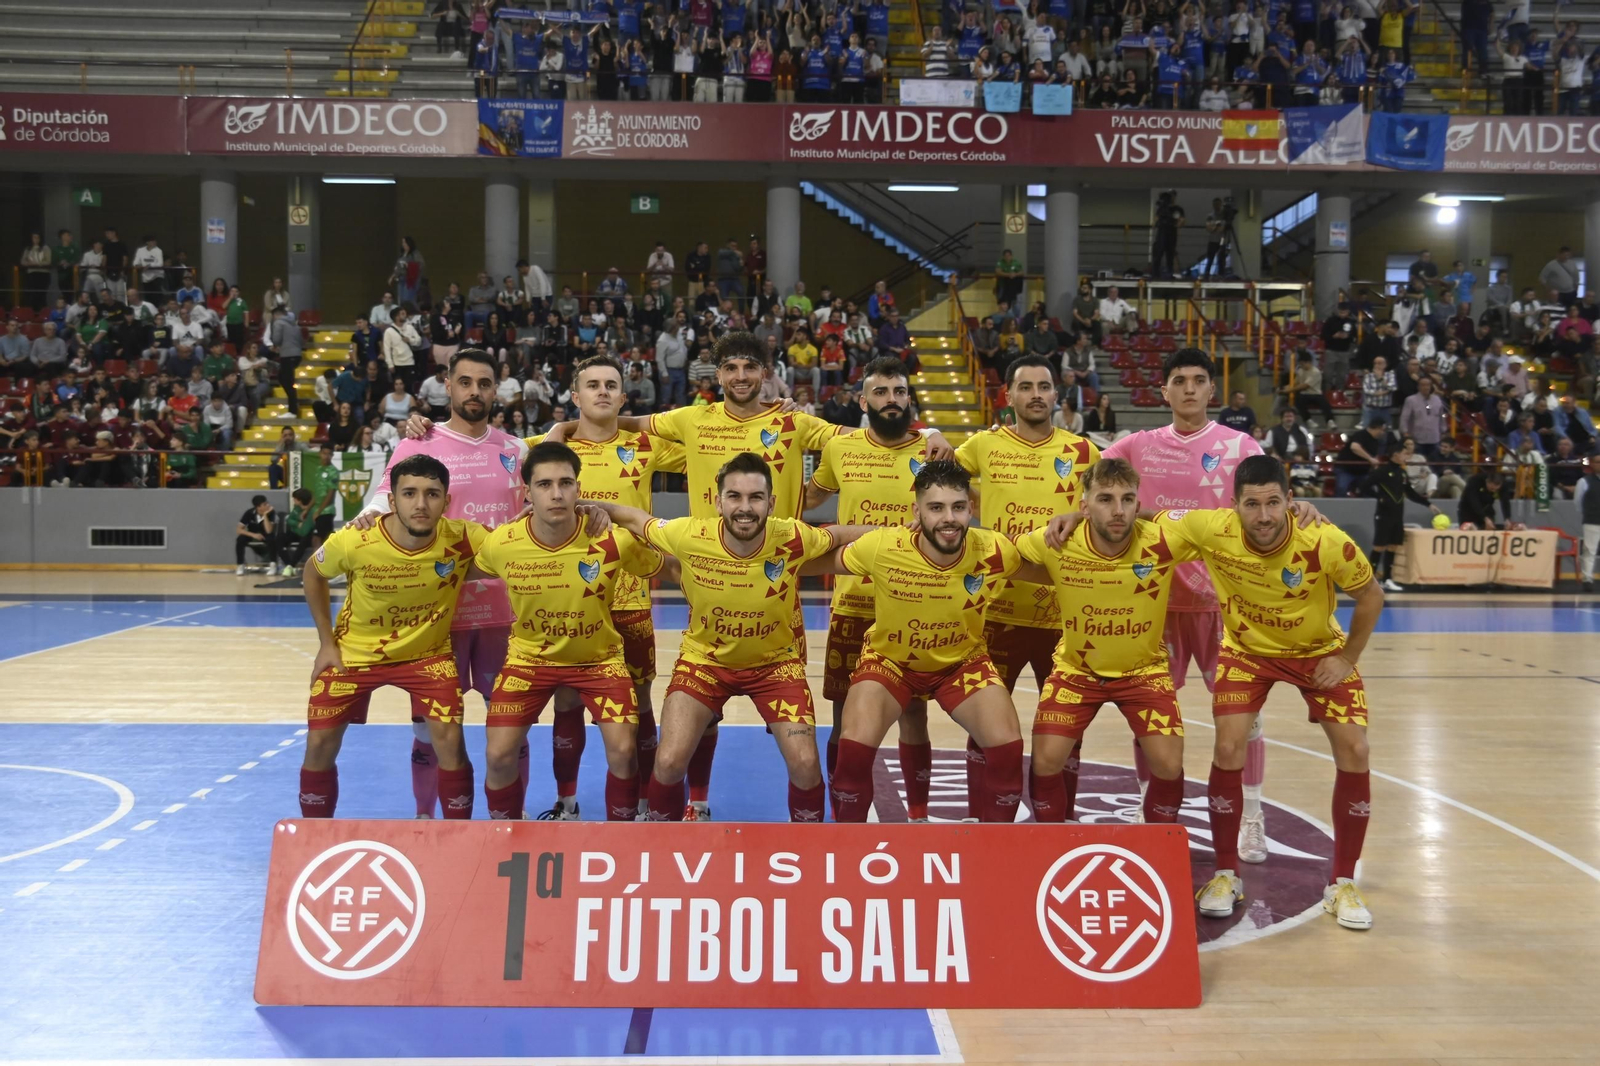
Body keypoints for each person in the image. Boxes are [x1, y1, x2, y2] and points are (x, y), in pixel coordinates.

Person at [1159, 456, 1381, 931]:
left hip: (1318, 651)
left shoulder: (1323, 540)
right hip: (1246, 652)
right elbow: (1140, 527)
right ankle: (1225, 873)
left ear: (1290, 501)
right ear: (1233, 505)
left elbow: (1371, 595)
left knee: (1356, 749)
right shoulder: (1209, 528)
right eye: (1252, 504)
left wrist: (1347, 659)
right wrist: (1079, 513)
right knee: (1227, 743)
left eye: (1273, 503)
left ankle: (1341, 882)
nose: (1263, 516)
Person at [601, 453, 871, 822]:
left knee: (807, 763)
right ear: (718, 501)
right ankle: (661, 842)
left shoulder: (791, 535)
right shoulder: (688, 534)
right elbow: (635, 518)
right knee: (667, 760)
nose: (745, 508)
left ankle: (810, 851)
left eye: (755, 498)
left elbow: (839, 534)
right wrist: (586, 507)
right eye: (735, 497)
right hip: (704, 663)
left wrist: (902, 536)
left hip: (775, 667)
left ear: (771, 503)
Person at [1104, 347, 1271, 854]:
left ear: (1212, 391)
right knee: (1147, 712)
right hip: (1154, 603)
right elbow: (1091, 481)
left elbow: (1271, 500)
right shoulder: (1137, 445)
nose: (1191, 389)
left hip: (1224, 605)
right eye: (1180, 380)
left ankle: (1253, 816)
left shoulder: (1241, 446)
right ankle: (1145, 802)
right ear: (1164, 391)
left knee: (1244, 720)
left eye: (1200, 380)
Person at [352, 349, 528, 818]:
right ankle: (427, 821)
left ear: (498, 390)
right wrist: (352, 537)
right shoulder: (417, 444)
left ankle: (507, 821)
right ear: (446, 386)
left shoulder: (516, 450)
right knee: (430, 730)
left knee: (510, 729)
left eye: (484, 383)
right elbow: (378, 507)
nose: (475, 391)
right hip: (434, 618)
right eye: (465, 382)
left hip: (504, 615)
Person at [823, 460, 1030, 823]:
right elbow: (813, 561)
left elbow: (1059, 568)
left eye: (958, 507)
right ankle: (847, 850)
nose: (949, 518)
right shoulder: (882, 546)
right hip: (890, 664)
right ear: (917, 511)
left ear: (970, 508)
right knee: (853, 752)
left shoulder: (996, 550)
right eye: (936, 508)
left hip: (961, 664)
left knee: (1009, 749)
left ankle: (998, 851)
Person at [473, 442, 661, 821]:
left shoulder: (612, 540)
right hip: (529, 660)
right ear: (526, 492)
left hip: (600, 661)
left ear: (579, 489)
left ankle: (622, 834)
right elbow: (464, 573)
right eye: (544, 485)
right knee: (497, 754)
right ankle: (505, 832)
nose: (556, 494)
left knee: (624, 751)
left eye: (565, 483)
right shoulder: (502, 544)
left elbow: (659, 566)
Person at [297, 454, 485, 820]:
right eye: (409, 493)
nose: (420, 504)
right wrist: (325, 643)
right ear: (392, 499)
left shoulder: (463, 537)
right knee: (319, 743)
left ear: (447, 501)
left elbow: (517, 546)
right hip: (354, 654)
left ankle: (459, 838)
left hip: (427, 656)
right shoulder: (355, 539)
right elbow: (313, 572)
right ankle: (314, 837)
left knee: (451, 743)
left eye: (432, 494)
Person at [955, 356, 1099, 820]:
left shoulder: (1083, 452)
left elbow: (1114, 508)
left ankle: (1057, 821)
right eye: (1026, 387)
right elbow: (935, 477)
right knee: (983, 725)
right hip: (996, 610)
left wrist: (1080, 514)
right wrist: (934, 439)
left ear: (1057, 395)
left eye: (1044, 386)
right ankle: (982, 819)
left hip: (1065, 615)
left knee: (1065, 728)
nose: (1036, 394)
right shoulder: (983, 445)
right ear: (1009, 396)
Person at [1019, 459, 1196, 823]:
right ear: (1084, 506)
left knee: (1168, 763)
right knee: (1046, 759)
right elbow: (1006, 552)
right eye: (1105, 499)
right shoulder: (1056, 540)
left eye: (1127, 499)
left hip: (1144, 673)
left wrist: (1295, 508)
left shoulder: (1164, 539)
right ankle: (1053, 841)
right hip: (1076, 671)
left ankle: (1156, 845)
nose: (1118, 510)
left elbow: (1232, 524)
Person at [803, 358, 935, 818]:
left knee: (913, 714)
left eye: (899, 392)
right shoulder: (842, 450)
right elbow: (811, 496)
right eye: (881, 393)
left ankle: (918, 816)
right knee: (843, 714)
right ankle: (842, 816)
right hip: (853, 602)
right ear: (863, 401)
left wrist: (940, 436)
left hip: (911, 604)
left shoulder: (933, 452)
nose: (892, 401)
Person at [1364, 440, 1441, 591]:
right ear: (1396, 455)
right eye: (1405, 453)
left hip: (1398, 515)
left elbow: (1410, 493)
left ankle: (1387, 579)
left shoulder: (1402, 472)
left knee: (1393, 546)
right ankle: (1370, 580)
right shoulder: (1382, 471)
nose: (1407, 456)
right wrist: (1379, 497)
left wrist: (1428, 504)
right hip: (1383, 514)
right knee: (1379, 547)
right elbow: (1363, 486)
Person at [277, 488, 318, 576]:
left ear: (300, 500)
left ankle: (291, 565)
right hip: (297, 532)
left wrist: (296, 527)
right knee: (280, 538)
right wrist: (297, 524)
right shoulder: (296, 508)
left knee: (304, 541)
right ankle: (289, 565)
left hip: (308, 535)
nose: (293, 500)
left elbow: (304, 531)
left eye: (294, 499)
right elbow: (289, 520)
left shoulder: (312, 511)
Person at [235, 494, 277, 575]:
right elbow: (239, 529)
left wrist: (265, 515)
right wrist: (253, 535)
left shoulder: (271, 513)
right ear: (258, 507)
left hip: (265, 534)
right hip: (253, 533)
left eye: (267, 503)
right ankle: (240, 565)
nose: (268, 505)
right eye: (264, 504)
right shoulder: (249, 513)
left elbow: (269, 530)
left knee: (271, 539)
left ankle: (273, 565)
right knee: (240, 539)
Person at [1575, 457, 1600, 591]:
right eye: (1597, 462)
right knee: (1590, 550)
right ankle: (1587, 579)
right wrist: (1589, 513)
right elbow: (1578, 501)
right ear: (1591, 464)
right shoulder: (1584, 481)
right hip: (1592, 520)